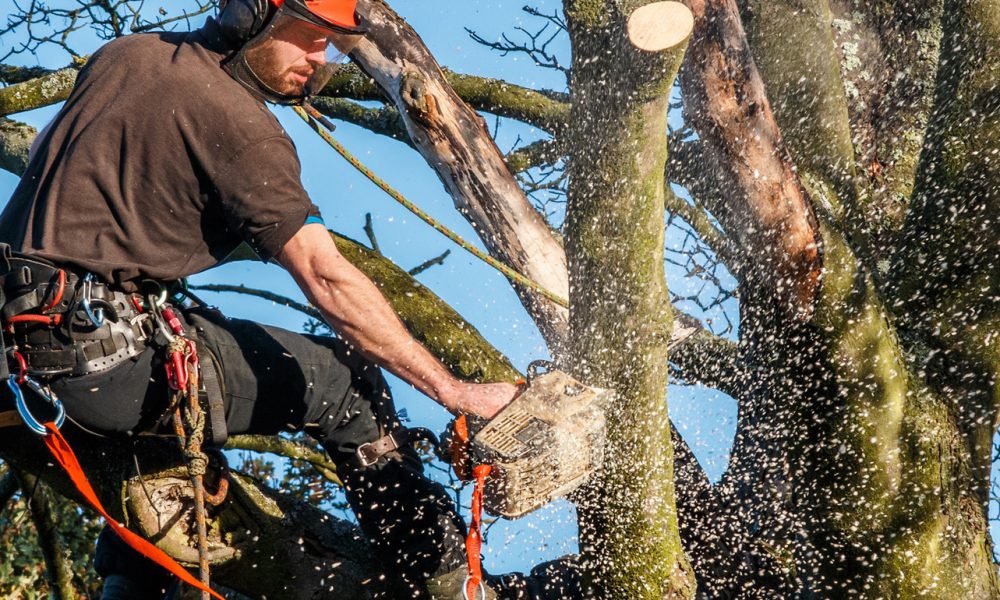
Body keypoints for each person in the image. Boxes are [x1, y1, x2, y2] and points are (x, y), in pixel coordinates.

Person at [0, 0, 578, 597]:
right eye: (308, 39)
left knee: (188, 387)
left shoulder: (124, 57)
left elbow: (65, 172)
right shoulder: (240, 125)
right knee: (344, 381)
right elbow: (325, 277)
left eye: (328, 45)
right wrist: (453, 391)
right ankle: (446, 580)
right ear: (253, 18)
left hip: (19, 348)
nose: (318, 59)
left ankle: (128, 587)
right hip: (94, 359)